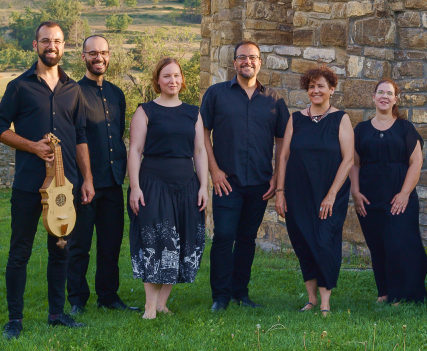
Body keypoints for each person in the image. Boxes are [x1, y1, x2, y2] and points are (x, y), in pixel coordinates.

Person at [0, 21, 95, 340]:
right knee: (19, 250)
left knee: (61, 247)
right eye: (46, 41)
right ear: (35, 45)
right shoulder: (19, 86)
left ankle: (56, 314)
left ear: (64, 47)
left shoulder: (74, 89)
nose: (52, 46)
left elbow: (79, 135)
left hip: (65, 185)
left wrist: (87, 178)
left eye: (58, 41)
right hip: (28, 184)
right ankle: (14, 319)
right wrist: (32, 145)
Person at [201, 40, 290, 311]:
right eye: (242, 58)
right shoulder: (216, 94)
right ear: (235, 62)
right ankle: (220, 296)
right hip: (227, 182)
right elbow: (203, 133)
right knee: (224, 235)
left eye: (252, 58)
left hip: (260, 183)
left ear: (260, 62)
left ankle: (241, 293)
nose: (247, 62)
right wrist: (214, 171)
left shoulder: (274, 99)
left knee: (247, 239)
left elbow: (282, 141)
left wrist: (276, 177)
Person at [127, 57, 208, 319]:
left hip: (186, 184)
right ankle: (149, 306)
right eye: (166, 76)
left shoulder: (193, 112)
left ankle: (162, 303)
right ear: (157, 81)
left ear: (182, 80)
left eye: (176, 76)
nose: (172, 81)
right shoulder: (145, 111)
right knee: (155, 243)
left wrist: (203, 186)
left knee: (181, 242)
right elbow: (135, 150)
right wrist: (135, 187)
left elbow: (199, 150)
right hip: (153, 184)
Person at [274, 66, 354, 316]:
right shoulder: (295, 118)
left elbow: (349, 158)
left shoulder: (340, 119)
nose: (315, 90)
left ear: (331, 89)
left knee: (325, 242)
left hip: (329, 194)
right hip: (298, 193)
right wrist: (280, 191)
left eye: (321, 86)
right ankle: (310, 300)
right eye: (311, 86)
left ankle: (326, 302)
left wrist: (331, 194)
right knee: (303, 243)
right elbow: (284, 156)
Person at [67, 35, 138, 314]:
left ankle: (108, 296)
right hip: (85, 184)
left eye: (104, 53)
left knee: (110, 245)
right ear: (83, 57)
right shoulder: (72, 92)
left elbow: (118, 134)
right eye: (93, 53)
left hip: (112, 182)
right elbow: (72, 138)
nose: (100, 58)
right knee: (80, 244)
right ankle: (76, 300)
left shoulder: (117, 93)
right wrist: (85, 179)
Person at [351, 78, 427, 304]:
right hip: (369, 197)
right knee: (378, 245)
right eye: (380, 92)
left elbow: (416, 162)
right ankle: (384, 293)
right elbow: (353, 163)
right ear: (373, 97)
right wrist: (355, 192)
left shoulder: (405, 128)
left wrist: (404, 193)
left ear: (396, 99)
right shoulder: (361, 129)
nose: (384, 96)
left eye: (389, 93)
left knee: (400, 244)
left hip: (399, 197)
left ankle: (404, 294)